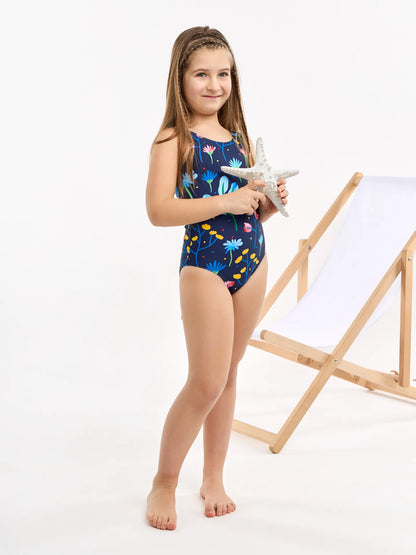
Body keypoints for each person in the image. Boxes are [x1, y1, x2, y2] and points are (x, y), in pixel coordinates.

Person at [145, 26, 288, 531]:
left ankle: (213, 478)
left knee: (228, 373)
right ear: (180, 79)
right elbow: (159, 211)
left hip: (252, 259)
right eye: (201, 74)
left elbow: (247, 212)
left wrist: (267, 205)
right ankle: (164, 481)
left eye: (223, 74)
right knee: (205, 381)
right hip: (204, 264)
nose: (214, 84)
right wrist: (227, 200)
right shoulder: (173, 139)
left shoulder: (239, 140)